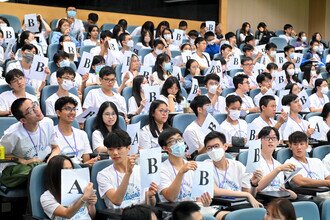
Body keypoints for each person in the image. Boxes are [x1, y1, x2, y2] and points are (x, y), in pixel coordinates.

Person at [97, 129, 158, 209]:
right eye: (110, 149)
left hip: (142, 213)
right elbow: (117, 201)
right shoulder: (103, 175)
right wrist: (128, 173)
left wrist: (150, 197)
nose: (115, 153)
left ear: (128, 148)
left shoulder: (141, 170)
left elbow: (152, 205)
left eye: (119, 148)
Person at [204, 131, 263, 208]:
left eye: (216, 146)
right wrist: (246, 195)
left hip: (239, 205)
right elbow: (215, 191)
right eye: (209, 148)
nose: (213, 150)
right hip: (217, 206)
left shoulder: (238, 166)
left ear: (225, 146)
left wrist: (254, 185)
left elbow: (250, 196)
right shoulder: (205, 166)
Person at [0, 98, 60, 170]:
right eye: (30, 110)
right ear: (23, 120)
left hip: (43, 164)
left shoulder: (48, 123)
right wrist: (24, 161)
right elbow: (1, 155)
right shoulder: (13, 133)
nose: (37, 110)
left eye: (34, 105)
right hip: (21, 170)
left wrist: (50, 162)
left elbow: (56, 147)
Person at [40, 155, 97, 219]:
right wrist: (84, 198)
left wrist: (91, 204)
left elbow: (91, 216)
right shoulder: (47, 197)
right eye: (66, 169)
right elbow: (67, 214)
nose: (70, 172)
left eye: (71, 168)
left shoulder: (80, 188)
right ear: (55, 173)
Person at [54, 97, 97, 165]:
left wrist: (89, 163)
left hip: (80, 171)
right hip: (61, 171)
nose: (72, 112)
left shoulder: (82, 134)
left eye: (74, 109)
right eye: (68, 109)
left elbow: (86, 160)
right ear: (58, 112)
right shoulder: (52, 134)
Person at [256, 127, 297, 199]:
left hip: (278, 199)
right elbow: (257, 188)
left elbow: (281, 188)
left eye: (274, 138)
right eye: (267, 137)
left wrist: (288, 192)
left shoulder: (278, 164)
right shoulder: (255, 161)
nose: (270, 141)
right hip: (263, 199)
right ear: (260, 141)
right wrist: (277, 169)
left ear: (278, 142)